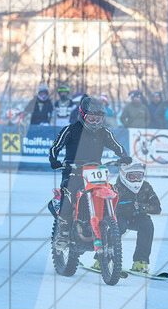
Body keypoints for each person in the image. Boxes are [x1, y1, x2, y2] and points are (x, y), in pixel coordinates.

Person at [48, 96, 132, 247]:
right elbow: (55, 147)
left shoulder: (104, 132)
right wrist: (54, 161)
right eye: (91, 119)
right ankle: (63, 232)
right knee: (68, 194)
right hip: (72, 172)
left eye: (98, 119)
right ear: (82, 115)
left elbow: (116, 145)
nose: (95, 123)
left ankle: (107, 223)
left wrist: (124, 156)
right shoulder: (71, 130)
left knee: (111, 191)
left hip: (95, 172)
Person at [109, 161, 162, 274]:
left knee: (147, 225)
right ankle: (103, 259)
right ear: (124, 175)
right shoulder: (116, 188)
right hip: (121, 217)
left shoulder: (146, 187)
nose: (136, 180)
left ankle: (140, 262)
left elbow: (157, 208)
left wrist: (142, 207)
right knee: (117, 227)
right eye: (132, 176)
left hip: (138, 217)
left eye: (139, 176)